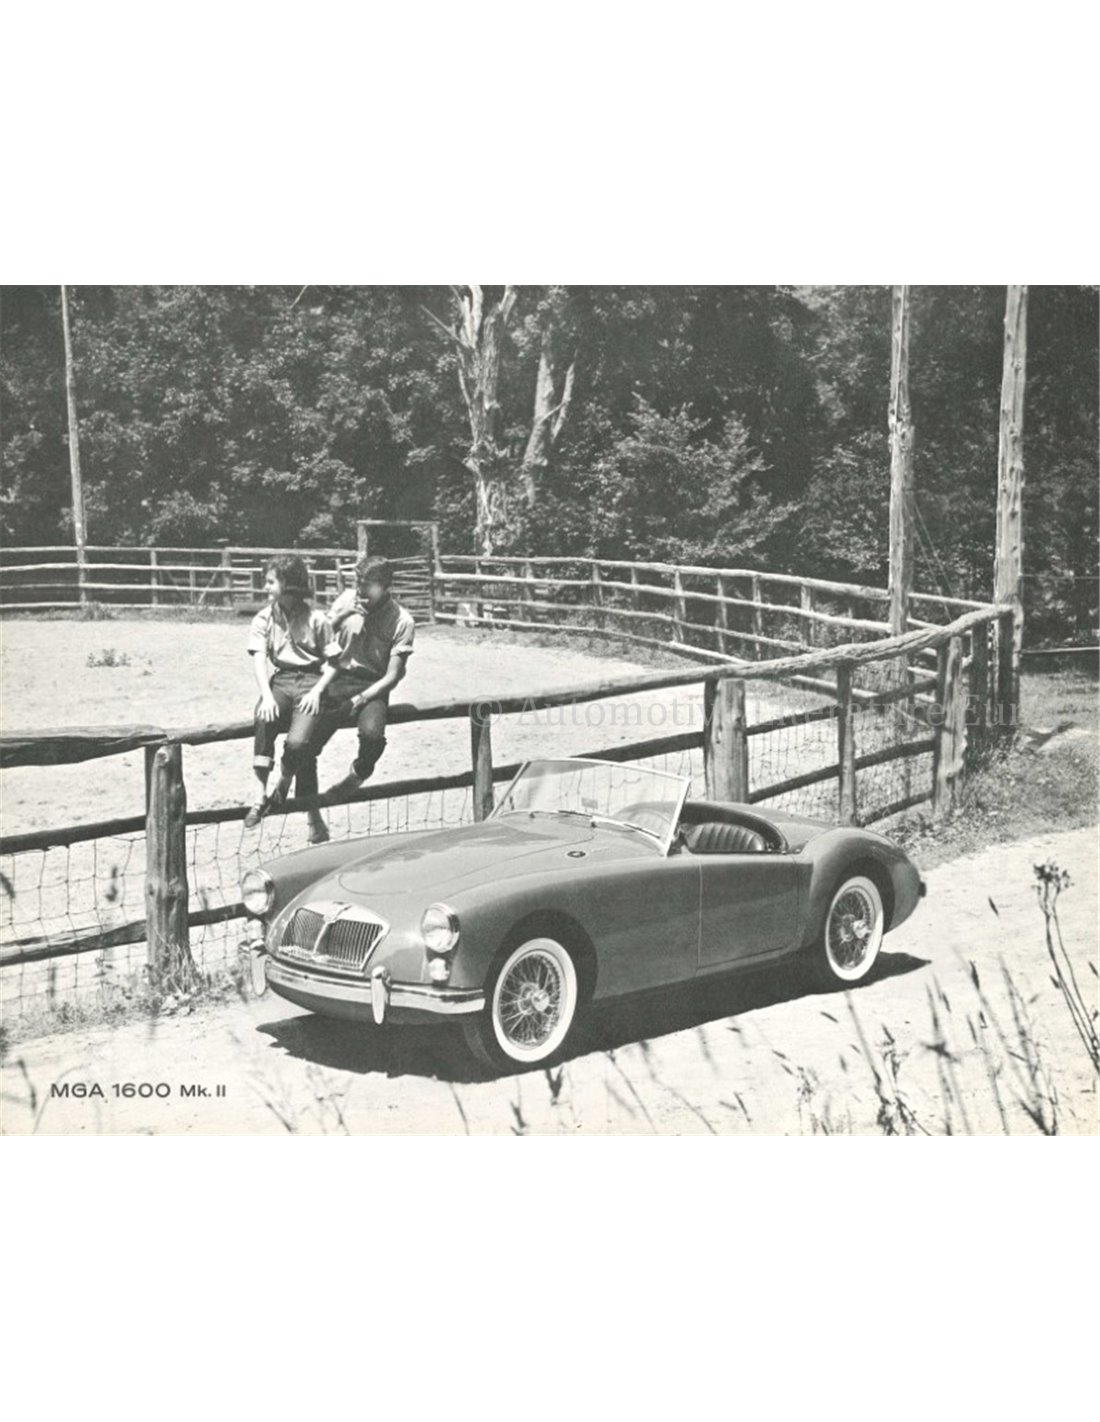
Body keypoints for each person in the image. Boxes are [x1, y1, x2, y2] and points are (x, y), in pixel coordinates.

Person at [288, 554, 415, 803]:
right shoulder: (347, 599)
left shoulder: (402, 620)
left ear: (385, 586)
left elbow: (393, 675)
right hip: (338, 677)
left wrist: (361, 699)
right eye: (358, 582)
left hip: (374, 685)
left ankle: (359, 773)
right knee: (306, 738)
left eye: (367, 584)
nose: (360, 589)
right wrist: (342, 615)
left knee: (372, 735)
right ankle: (306, 802)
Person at [244, 555, 331, 843]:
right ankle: (260, 795)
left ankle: (284, 780)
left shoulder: (317, 619)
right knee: (263, 717)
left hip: (311, 681)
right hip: (281, 680)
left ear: (289, 584)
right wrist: (267, 696)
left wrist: (318, 692)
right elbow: (259, 659)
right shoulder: (264, 618)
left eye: (271, 582)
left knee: (298, 743)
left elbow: (335, 662)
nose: (265, 587)